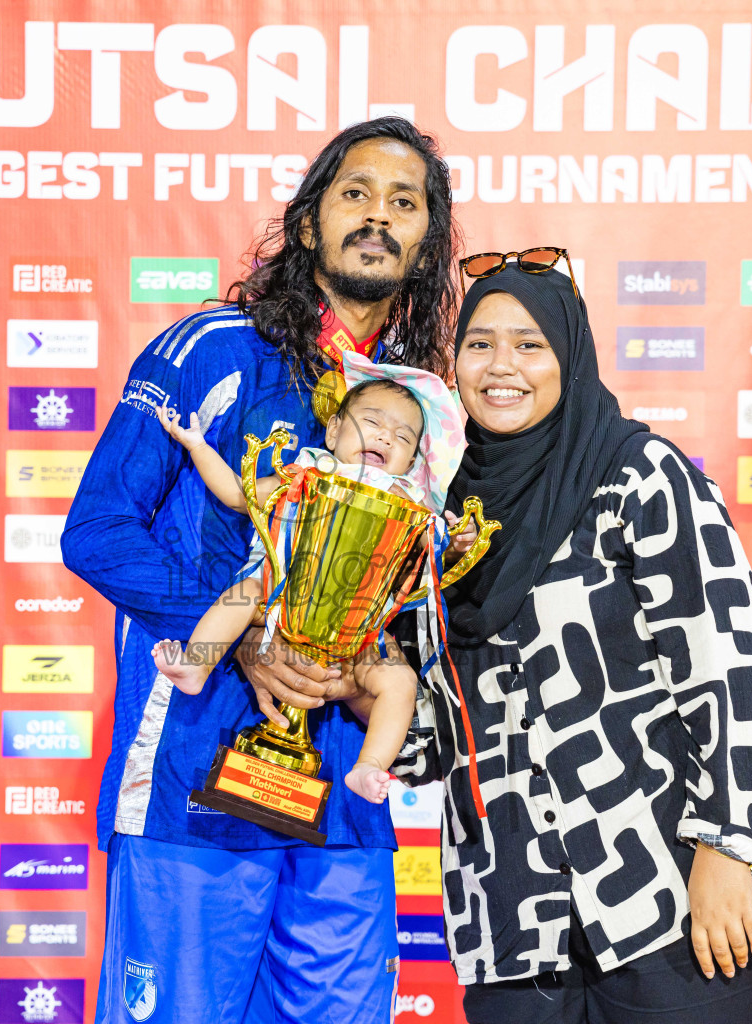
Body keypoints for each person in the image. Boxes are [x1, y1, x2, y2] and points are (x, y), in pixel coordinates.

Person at [60, 116, 459, 1024]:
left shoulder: (417, 408)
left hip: (343, 808)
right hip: (192, 786)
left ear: (428, 238)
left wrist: (367, 673)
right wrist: (242, 642)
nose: (377, 217)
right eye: (354, 193)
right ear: (310, 216)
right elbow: (98, 528)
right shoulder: (215, 346)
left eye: (405, 203)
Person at [384, 252, 752, 1023]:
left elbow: (730, 666)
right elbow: (433, 741)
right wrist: (343, 671)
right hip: (513, 920)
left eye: (529, 344)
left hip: (671, 900)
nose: (500, 365)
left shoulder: (638, 476)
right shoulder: (434, 513)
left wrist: (727, 848)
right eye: (478, 343)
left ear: (569, 356)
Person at [151, 363, 471, 803]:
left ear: (412, 461)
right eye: (372, 423)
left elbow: (434, 555)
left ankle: (370, 765)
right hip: (281, 594)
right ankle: (196, 664)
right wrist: (197, 445)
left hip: (360, 630)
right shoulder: (307, 474)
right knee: (243, 594)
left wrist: (455, 541)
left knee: (400, 684)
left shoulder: (408, 502)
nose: (384, 437)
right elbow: (236, 494)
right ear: (334, 430)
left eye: (402, 438)